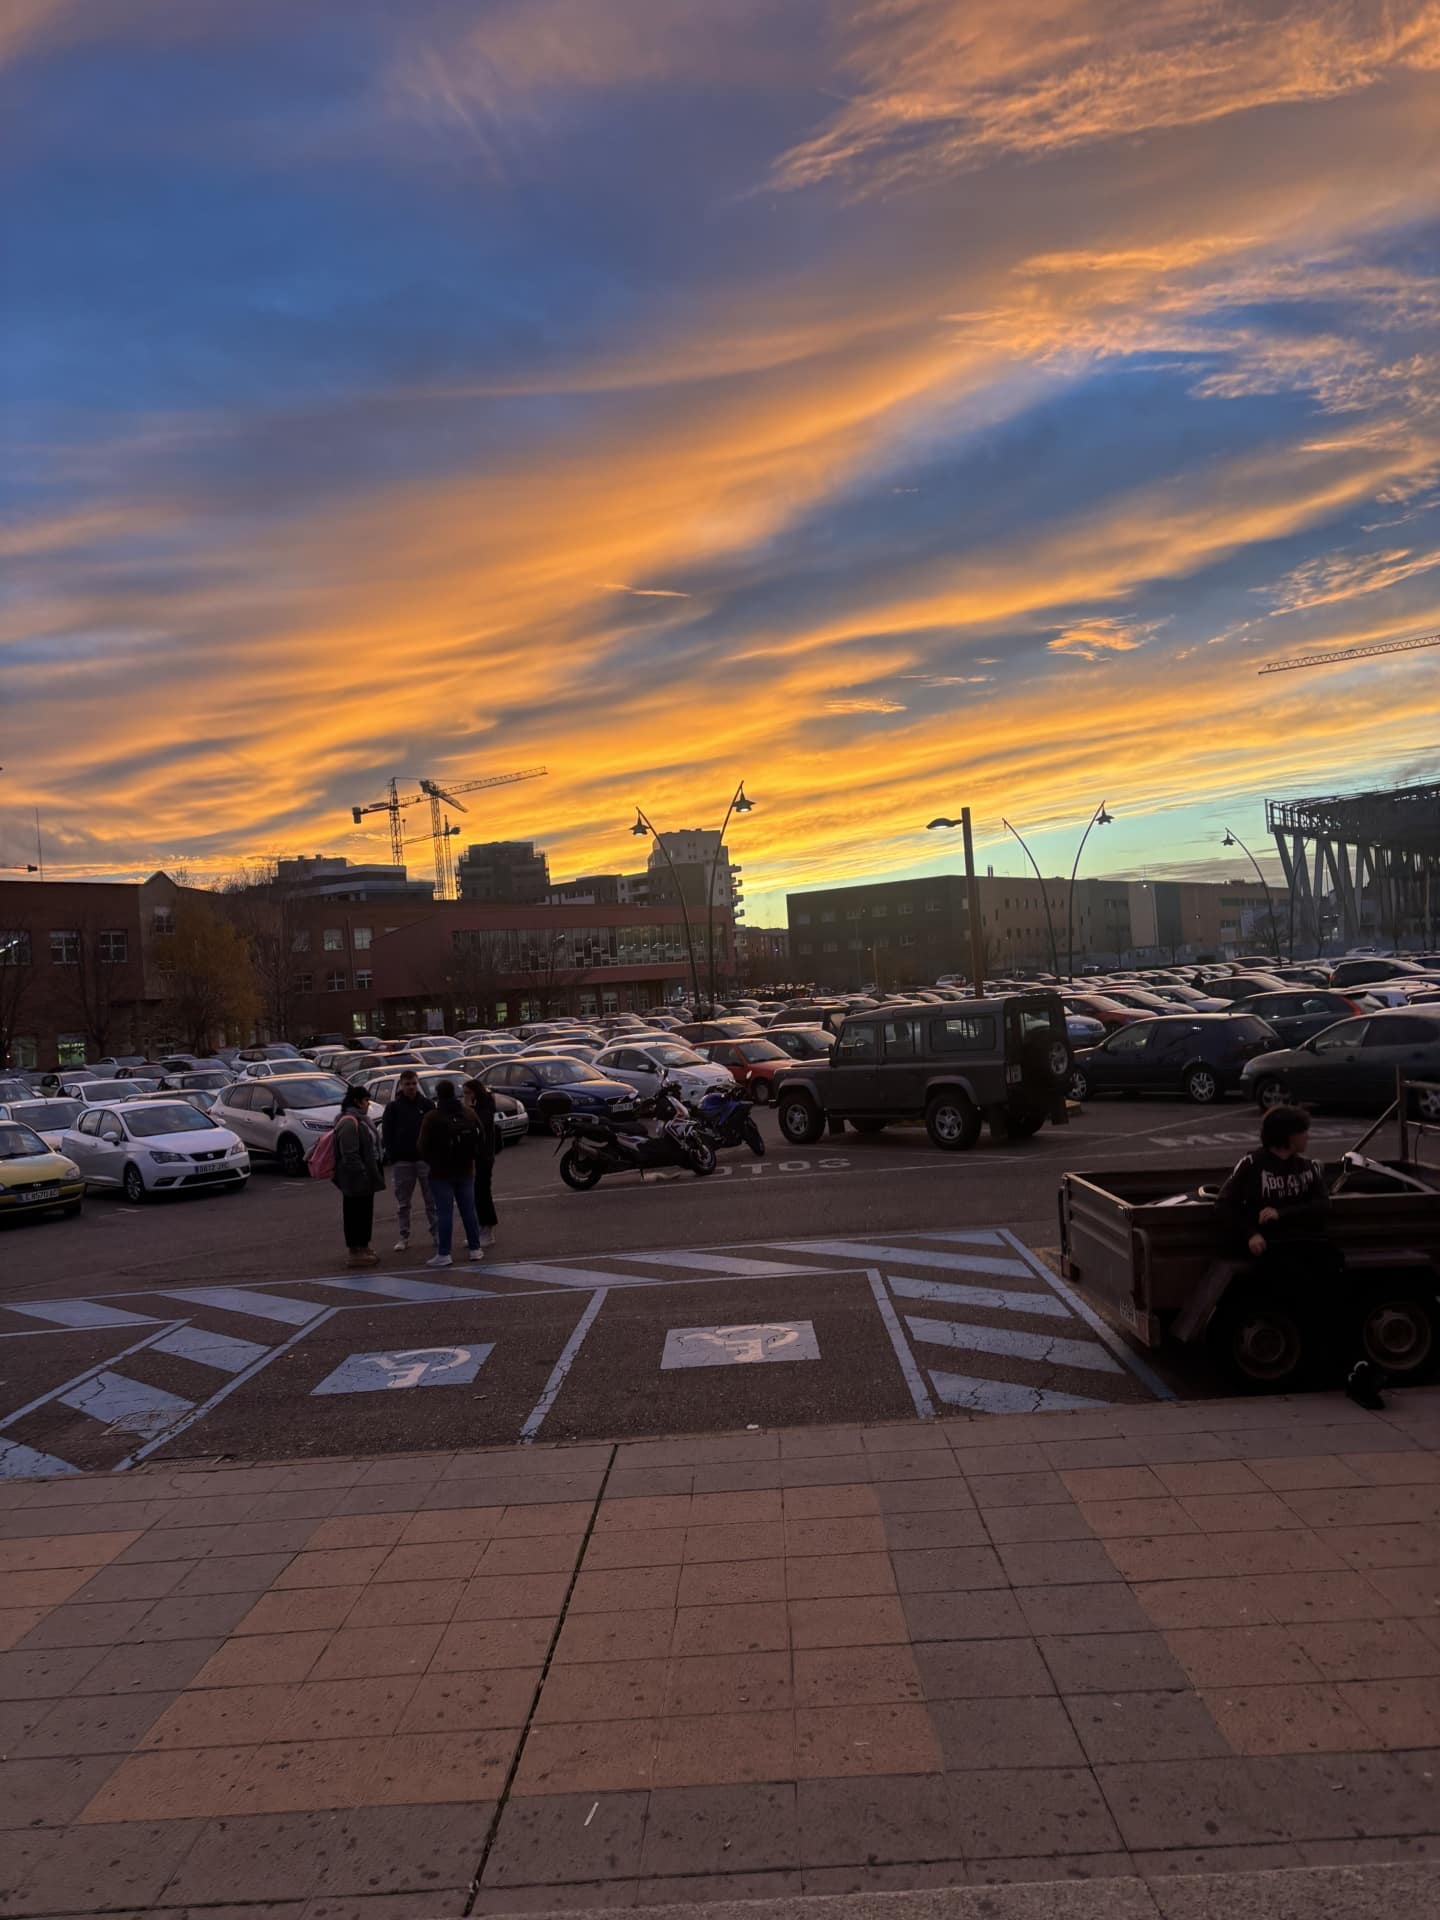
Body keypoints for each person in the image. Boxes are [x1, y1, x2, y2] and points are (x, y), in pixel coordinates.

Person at [1217, 1104, 1383, 1407]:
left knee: (1336, 1299)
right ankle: (1344, 1368)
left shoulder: (1306, 1167)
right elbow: (1225, 1204)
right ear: (1286, 1136)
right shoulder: (1253, 1165)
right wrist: (1250, 1233)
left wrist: (1281, 1212)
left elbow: (1322, 1205)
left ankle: (1352, 1368)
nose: (1307, 1136)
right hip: (1275, 1250)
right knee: (1306, 1301)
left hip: (1310, 1245)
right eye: (1302, 1131)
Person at [418, 1078, 484, 1268]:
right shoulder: (469, 1113)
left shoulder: (432, 1117)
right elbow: (482, 1137)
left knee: (444, 1213)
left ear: (438, 1095)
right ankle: (475, 1249)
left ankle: (444, 1253)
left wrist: (432, 1161)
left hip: (440, 1172)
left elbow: (422, 1146)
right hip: (466, 1169)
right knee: (469, 1211)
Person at [381, 1069, 436, 1252]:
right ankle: (403, 1236)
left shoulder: (427, 1104)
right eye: (407, 1084)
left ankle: (436, 1233)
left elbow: (436, 1129)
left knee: (432, 1201)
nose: (411, 1087)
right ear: (401, 1085)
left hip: (425, 1160)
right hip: (403, 1162)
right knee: (403, 1203)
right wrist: (394, 1156)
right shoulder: (393, 1108)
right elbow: (387, 1134)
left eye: (413, 1083)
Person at [332, 1085, 385, 1268]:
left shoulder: (361, 1119)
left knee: (364, 1213)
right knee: (355, 1214)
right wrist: (362, 1173)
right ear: (357, 1101)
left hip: (365, 1177)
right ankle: (355, 1251)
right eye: (366, 1101)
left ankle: (363, 1246)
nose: (367, 1105)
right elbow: (350, 1154)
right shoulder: (349, 1122)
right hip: (355, 1180)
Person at [464, 1076, 499, 1248]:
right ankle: (481, 1228)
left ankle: (488, 1230)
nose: (465, 1096)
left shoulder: (484, 1107)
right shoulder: (479, 1106)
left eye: (467, 1093)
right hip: (477, 1155)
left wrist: (469, 1106)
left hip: (484, 1155)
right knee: (477, 1192)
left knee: (482, 1191)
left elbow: (476, 1124)